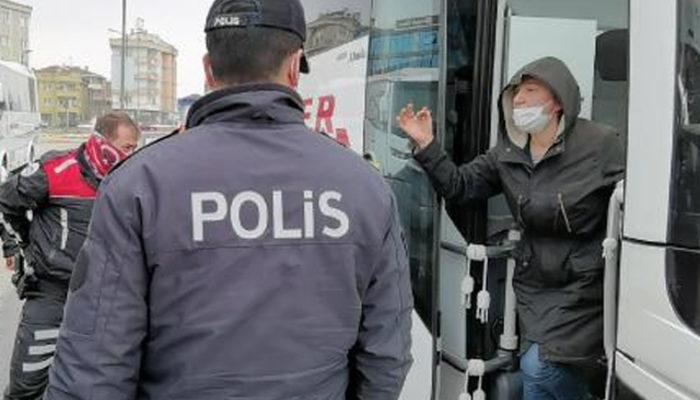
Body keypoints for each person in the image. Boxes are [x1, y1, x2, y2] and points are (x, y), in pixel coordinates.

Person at [43, 1, 413, 399]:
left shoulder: (139, 185)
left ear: (207, 69)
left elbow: (94, 368)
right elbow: (385, 356)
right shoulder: (365, 187)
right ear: (295, 66)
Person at [398, 56, 625, 400]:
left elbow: (640, 198)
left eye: (531, 91)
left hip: (585, 287)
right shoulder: (506, 153)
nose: (519, 100)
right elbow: (460, 186)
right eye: (516, 94)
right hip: (535, 287)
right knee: (540, 374)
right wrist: (427, 146)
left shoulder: (601, 144)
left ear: (559, 100)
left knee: (539, 368)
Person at [0, 112, 140, 400]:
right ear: (102, 143)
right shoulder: (55, 170)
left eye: (135, 148)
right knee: (26, 387)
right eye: (127, 147)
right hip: (51, 293)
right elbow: (5, 200)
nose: (132, 155)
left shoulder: (132, 180)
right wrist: (21, 245)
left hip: (103, 298)